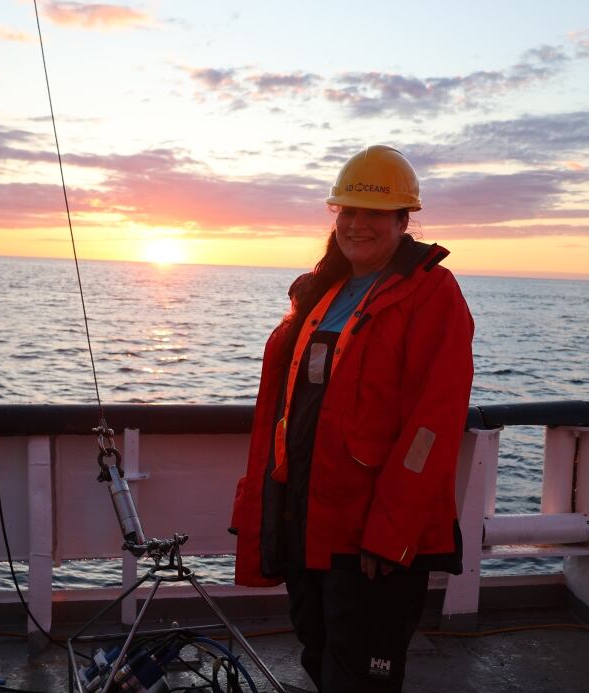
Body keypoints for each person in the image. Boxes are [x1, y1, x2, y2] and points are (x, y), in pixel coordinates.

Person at [229, 145, 474, 692]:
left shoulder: (432, 293)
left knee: (362, 675)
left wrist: (390, 533)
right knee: (319, 657)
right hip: (306, 521)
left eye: (374, 214)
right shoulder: (322, 290)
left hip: (370, 537)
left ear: (402, 220)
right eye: (348, 212)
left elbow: (431, 427)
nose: (358, 225)